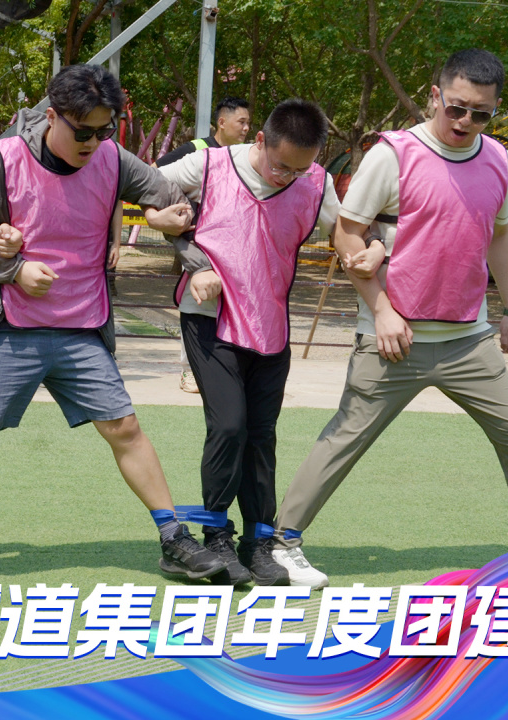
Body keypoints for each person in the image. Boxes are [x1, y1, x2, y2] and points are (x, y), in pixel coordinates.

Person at [0, 64, 221, 587]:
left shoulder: (113, 157)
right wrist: (12, 267)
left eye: (104, 130)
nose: (93, 142)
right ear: (52, 117)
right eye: (82, 131)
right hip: (10, 327)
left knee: (125, 428)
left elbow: (172, 203)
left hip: (81, 328)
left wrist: (173, 233)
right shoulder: (6, 159)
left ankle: (173, 539)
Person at [272, 49, 508, 588]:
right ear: (435, 96)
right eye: (456, 107)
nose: (465, 121)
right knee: (344, 441)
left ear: (495, 110)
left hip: (469, 338)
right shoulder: (393, 155)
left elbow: (500, 235)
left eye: (481, 113)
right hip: (393, 338)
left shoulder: (498, 158)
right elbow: (348, 233)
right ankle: (282, 544)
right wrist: (382, 311)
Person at [160, 99, 341, 586]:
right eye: (281, 166)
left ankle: (259, 543)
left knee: (262, 436)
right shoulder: (208, 165)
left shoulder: (315, 182)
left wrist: (374, 246)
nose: (288, 177)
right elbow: (146, 192)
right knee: (229, 426)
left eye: (299, 169)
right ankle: (216, 535)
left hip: (270, 325)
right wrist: (191, 257)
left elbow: (349, 231)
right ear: (259, 140)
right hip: (209, 319)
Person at [157, 98, 252, 393]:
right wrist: (168, 214)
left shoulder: (245, 158)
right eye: (241, 122)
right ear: (222, 122)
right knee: (196, 300)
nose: (247, 129)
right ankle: (189, 369)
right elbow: (152, 175)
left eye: (249, 123)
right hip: (194, 240)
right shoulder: (196, 150)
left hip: (230, 248)